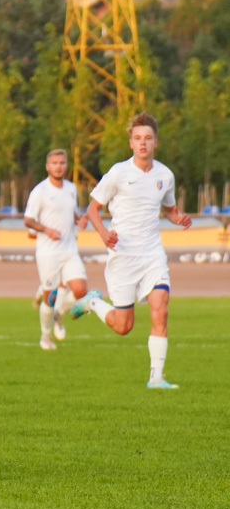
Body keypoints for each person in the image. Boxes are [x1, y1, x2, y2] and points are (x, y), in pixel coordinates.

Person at [71, 112, 191, 389]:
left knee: (160, 311)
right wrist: (103, 233)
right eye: (138, 138)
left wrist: (179, 218)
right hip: (123, 256)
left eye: (148, 138)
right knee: (123, 326)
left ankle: (157, 378)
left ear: (156, 143)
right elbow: (93, 208)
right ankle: (92, 302)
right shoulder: (119, 173)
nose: (143, 143)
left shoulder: (165, 175)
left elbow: (170, 210)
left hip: (152, 255)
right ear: (131, 143)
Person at [23, 149, 91, 350]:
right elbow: (28, 220)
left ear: (66, 165)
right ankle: (45, 336)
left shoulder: (71, 188)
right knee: (50, 297)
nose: (59, 166)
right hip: (48, 252)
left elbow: (73, 214)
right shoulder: (40, 191)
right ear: (48, 167)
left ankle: (59, 314)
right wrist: (46, 230)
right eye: (55, 163)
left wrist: (80, 220)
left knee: (81, 291)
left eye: (62, 163)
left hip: (70, 250)